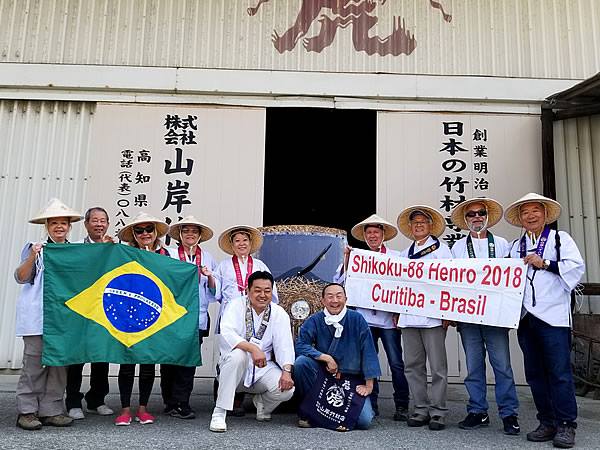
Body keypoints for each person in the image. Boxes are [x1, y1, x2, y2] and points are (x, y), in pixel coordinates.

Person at [505, 193, 585, 448]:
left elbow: (576, 268)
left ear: (545, 214)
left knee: (559, 372)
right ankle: (547, 421)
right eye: (525, 212)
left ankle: (566, 424)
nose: (530, 216)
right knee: (535, 373)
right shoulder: (514, 246)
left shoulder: (560, 239)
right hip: (526, 317)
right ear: (520, 219)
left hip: (553, 317)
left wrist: (546, 263)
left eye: (535, 211)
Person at [450, 198, 520, 435]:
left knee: (502, 367)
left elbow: (512, 280)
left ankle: (509, 413)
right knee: (474, 366)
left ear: (487, 216)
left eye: (480, 213)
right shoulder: (457, 248)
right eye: (471, 214)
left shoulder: (502, 244)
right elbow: (449, 282)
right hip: (468, 316)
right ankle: (478, 411)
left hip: (495, 317)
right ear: (465, 220)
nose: (476, 217)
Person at [14, 198, 82, 430]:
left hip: (64, 319)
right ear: (47, 226)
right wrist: (33, 255)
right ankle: (27, 410)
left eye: (63, 223)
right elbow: (21, 276)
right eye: (54, 223)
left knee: (59, 365)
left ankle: (52, 409)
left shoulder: (74, 252)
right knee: (33, 364)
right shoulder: (36, 247)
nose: (59, 227)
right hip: (37, 316)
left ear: (69, 226)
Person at [334, 214, 409, 420]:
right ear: (365, 237)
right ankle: (372, 404)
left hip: (388, 320)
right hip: (366, 320)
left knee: (396, 363)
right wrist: (347, 260)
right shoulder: (360, 258)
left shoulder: (396, 257)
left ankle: (402, 404)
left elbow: (406, 286)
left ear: (383, 235)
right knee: (369, 362)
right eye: (369, 233)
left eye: (376, 232)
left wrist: (400, 312)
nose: (373, 236)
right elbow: (339, 281)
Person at [209, 271, 295, 432]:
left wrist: (287, 371)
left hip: (263, 368)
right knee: (238, 356)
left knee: (287, 390)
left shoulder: (278, 313)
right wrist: (253, 348)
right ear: (248, 291)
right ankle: (219, 413)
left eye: (267, 290)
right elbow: (227, 333)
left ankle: (262, 403)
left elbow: (285, 346)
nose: (262, 295)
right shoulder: (235, 305)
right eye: (257, 290)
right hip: (236, 369)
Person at [294, 282, 380, 430]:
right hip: (325, 375)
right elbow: (301, 345)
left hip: (351, 379)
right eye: (330, 296)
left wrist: (369, 385)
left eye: (339, 296)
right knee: (301, 363)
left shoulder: (357, 319)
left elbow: (369, 351)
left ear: (346, 299)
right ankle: (308, 410)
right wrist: (325, 358)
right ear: (323, 301)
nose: (335, 300)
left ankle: (326, 417)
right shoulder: (315, 319)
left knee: (364, 421)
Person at [396, 205, 452, 431]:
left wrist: (448, 312)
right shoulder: (403, 254)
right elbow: (396, 286)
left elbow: (452, 282)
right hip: (409, 317)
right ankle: (420, 408)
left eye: (423, 222)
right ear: (410, 227)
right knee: (412, 365)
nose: (419, 225)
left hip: (433, 316)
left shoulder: (442, 250)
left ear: (431, 226)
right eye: (415, 222)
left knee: (438, 366)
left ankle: (438, 411)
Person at [114, 212, 171, 426]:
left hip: (153, 315)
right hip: (127, 315)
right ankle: (125, 409)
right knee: (127, 364)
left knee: (148, 364)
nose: (145, 234)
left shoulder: (166, 256)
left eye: (149, 229)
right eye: (139, 230)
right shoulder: (124, 254)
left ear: (156, 232)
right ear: (133, 235)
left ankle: (144, 409)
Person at [214, 225, 278, 415]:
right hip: (231, 316)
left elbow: (271, 294)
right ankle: (225, 399)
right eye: (237, 241)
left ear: (251, 244)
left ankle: (242, 397)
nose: (241, 244)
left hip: (255, 315)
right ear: (232, 245)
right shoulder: (223, 266)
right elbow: (215, 292)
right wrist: (210, 278)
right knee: (229, 355)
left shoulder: (260, 266)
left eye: (245, 240)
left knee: (251, 351)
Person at [161, 216, 219, 419]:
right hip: (172, 315)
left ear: (200, 235)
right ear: (180, 234)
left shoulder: (208, 257)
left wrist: (209, 276)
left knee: (188, 360)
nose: (190, 234)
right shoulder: (169, 254)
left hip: (197, 316)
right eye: (186, 231)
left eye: (194, 231)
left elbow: (214, 292)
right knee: (169, 359)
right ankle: (169, 401)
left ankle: (182, 402)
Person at [66, 207, 114, 420]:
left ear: (108, 224)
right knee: (77, 358)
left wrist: (109, 250)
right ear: (86, 224)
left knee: (101, 356)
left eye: (103, 220)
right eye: (94, 220)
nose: (99, 224)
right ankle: (73, 401)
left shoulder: (115, 248)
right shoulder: (76, 248)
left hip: (103, 310)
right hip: (80, 310)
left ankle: (97, 400)